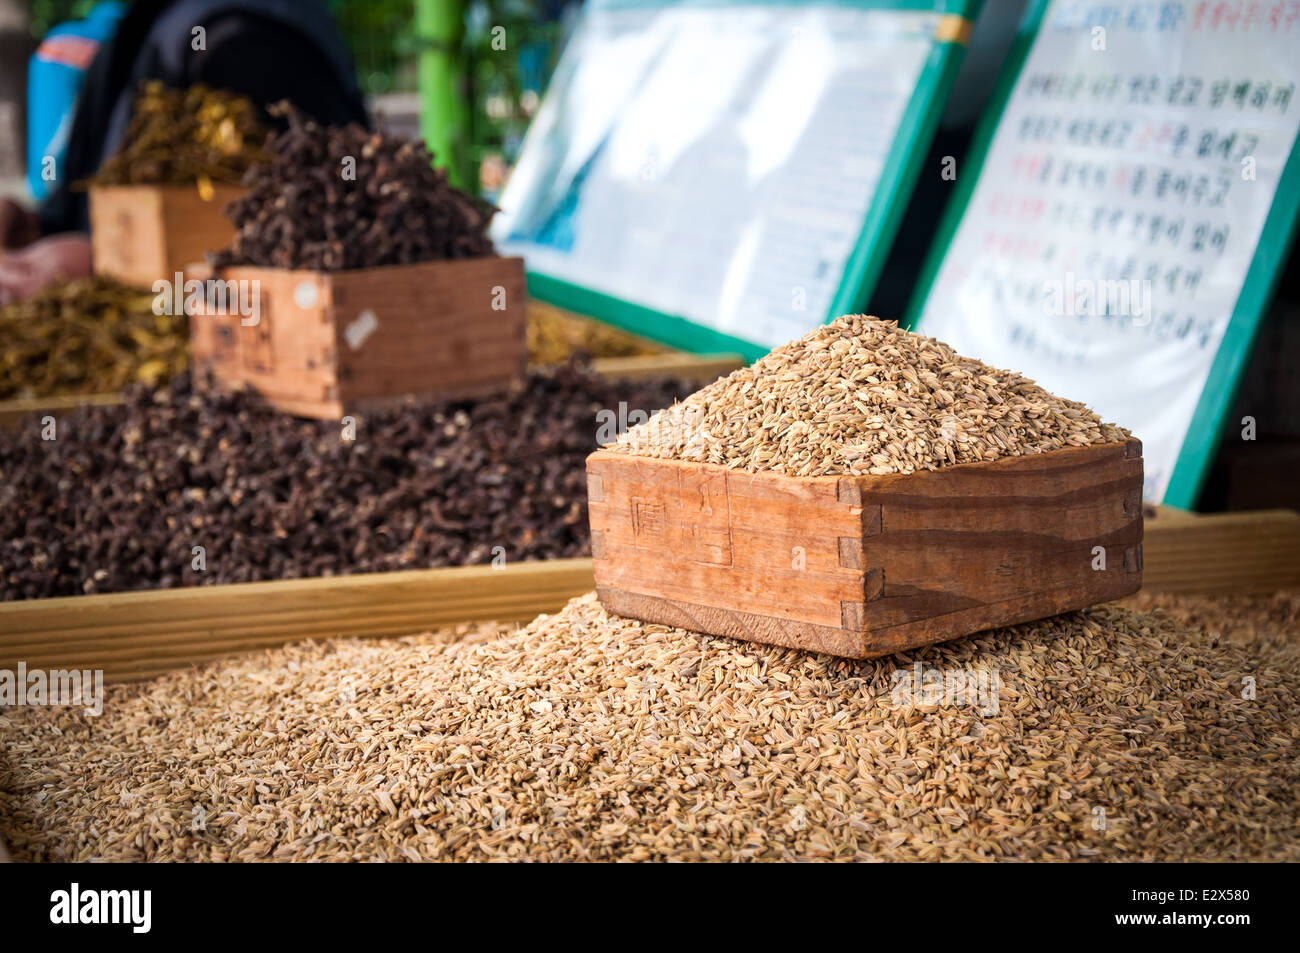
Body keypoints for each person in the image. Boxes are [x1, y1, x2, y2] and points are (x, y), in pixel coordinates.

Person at [0, 0, 368, 305]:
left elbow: (327, 221)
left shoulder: (242, 42)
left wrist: (106, 262)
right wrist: (33, 226)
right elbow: (97, 193)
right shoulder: (142, 28)